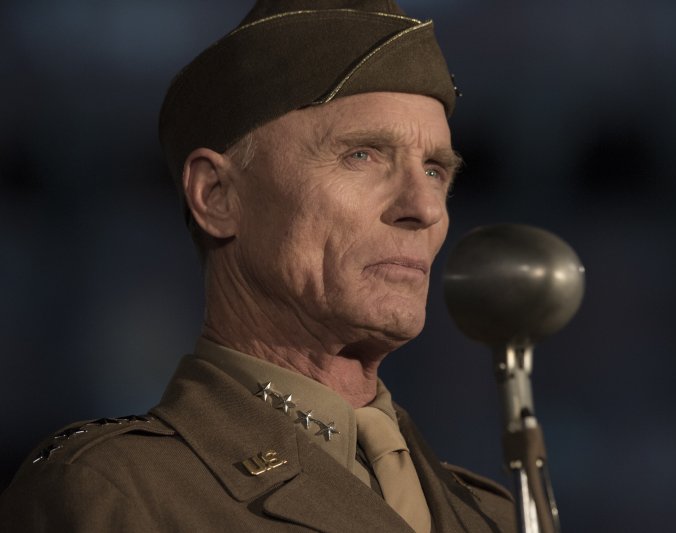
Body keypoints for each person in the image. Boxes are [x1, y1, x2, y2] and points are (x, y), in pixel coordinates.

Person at [0, 1, 515, 531]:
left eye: (435, 171)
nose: (425, 208)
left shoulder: (493, 515)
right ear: (217, 195)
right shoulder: (120, 492)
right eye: (361, 155)